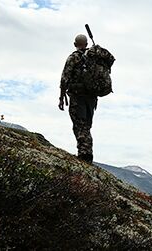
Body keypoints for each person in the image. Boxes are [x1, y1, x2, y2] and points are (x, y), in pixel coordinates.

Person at [59, 34, 98, 163]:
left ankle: (84, 155)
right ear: (86, 45)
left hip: (78, 97)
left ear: (75, 44)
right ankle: (88, 153)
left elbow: (65, 77)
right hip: (92, 99)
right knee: (86, 126)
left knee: (80, 126)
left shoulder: (73, 58)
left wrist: (61, 96)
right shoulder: (94, 58)